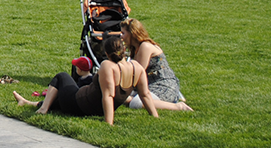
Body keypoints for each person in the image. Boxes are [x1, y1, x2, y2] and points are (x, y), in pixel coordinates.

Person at [12, 35, 164, 125]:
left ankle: (43, 109)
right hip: (90, 105)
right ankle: (30, 103)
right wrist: (155, 116)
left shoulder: (108, 65)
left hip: (79, 104)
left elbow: (108, 95)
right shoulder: (137, 67)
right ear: (124, 51)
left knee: (62, 77)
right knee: (59, 99)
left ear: (106, 53)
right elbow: (145, 95)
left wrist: (108, 123)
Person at [120, 18, 194, 112]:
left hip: (163, 85)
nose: (121, 36)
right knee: (121, 96)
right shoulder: (135, 49)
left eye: (123, 33)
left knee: (137, 103)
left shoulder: (145, 46)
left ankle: (179, 107)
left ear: (132, 33)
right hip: (149, 86)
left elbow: (137, 74)